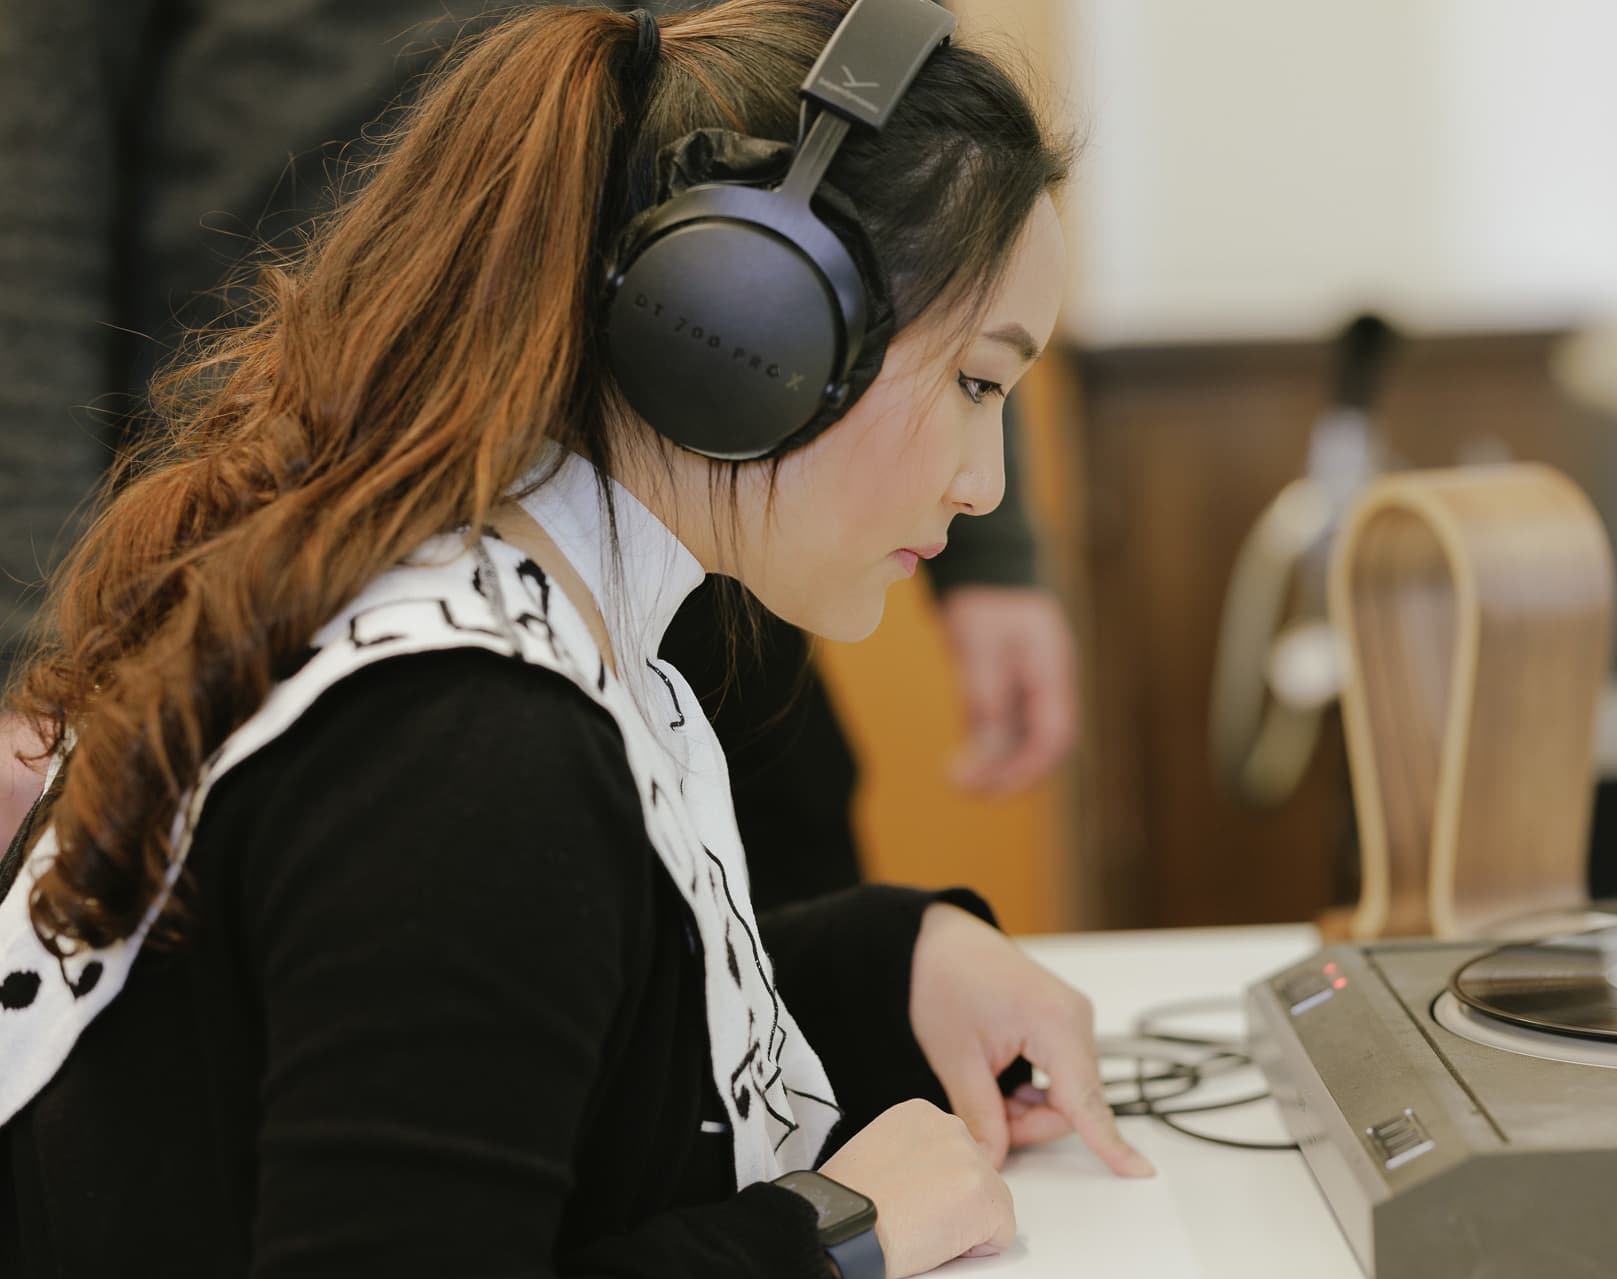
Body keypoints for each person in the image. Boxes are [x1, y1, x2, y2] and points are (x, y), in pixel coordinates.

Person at [0, 4, 1147, 1278]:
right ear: (756, 322)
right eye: (979, 381)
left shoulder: (503, 624)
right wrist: (826, 1238)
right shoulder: (465, 752)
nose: (986, 483)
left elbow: (540, 1044)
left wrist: (889, 962)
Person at [0, 0, 1080, 891]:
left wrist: (990, 558)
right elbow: (27, 227)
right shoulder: (458, 738)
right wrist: (39, 646)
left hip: (714, 474)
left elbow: (919, 179)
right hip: (323, 513)